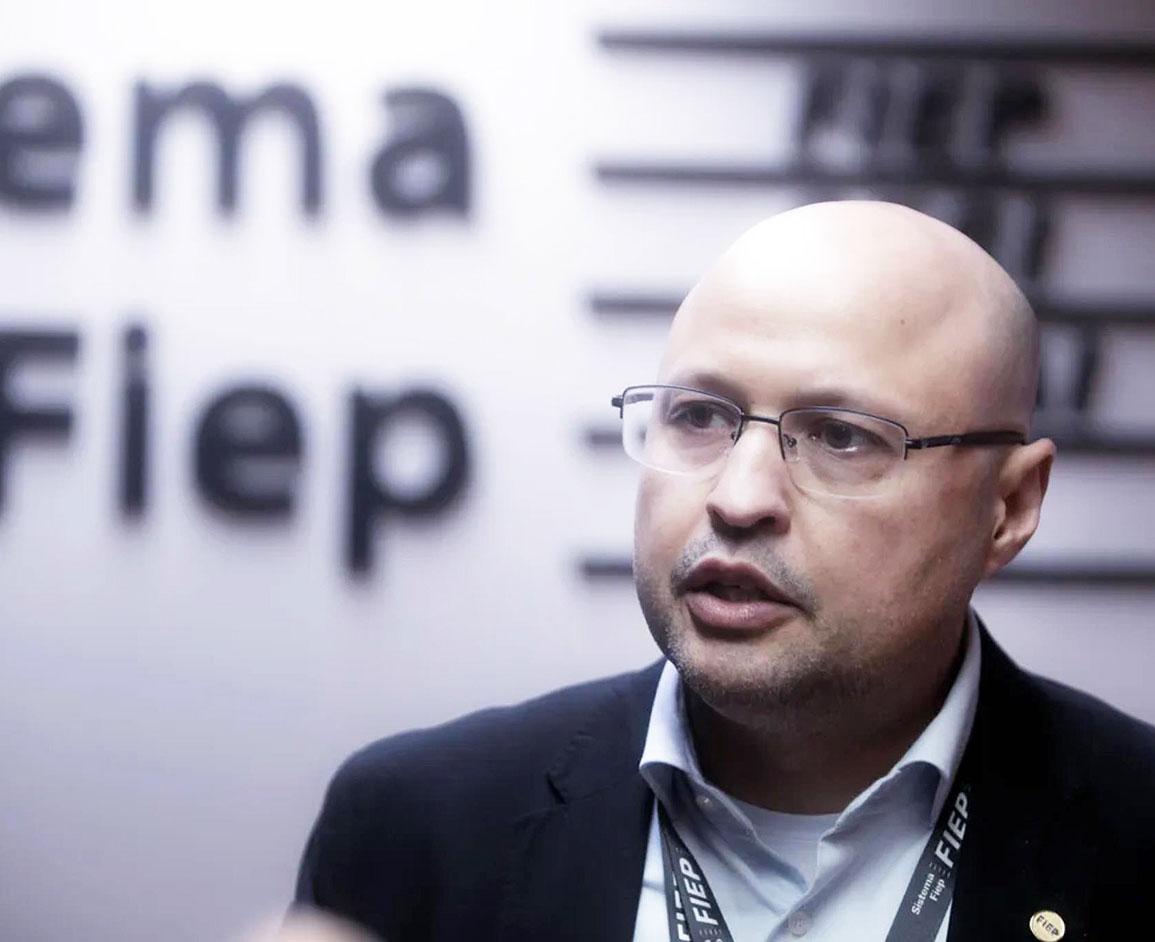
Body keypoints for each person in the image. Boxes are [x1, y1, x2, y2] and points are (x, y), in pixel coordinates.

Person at [294, 201, 1155, 941]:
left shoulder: (1133, 829)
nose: (738, 499)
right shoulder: (419, 830)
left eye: (841, 436)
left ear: (1007, 507)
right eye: (700, 417)